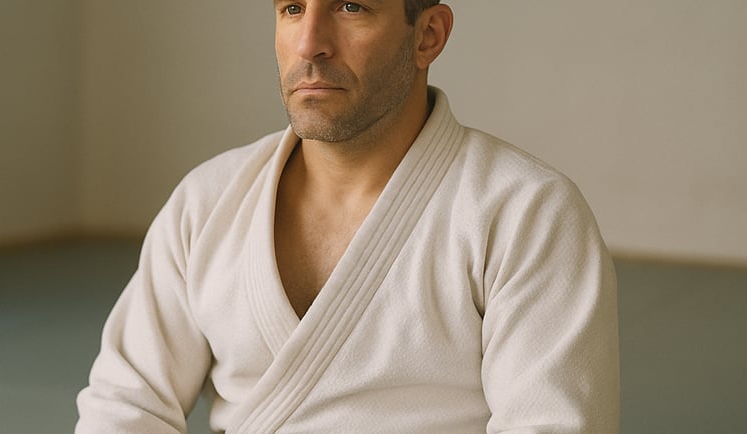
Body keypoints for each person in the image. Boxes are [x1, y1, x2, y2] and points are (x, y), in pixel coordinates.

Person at [76, 0, 619, 432]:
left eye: (350, 7)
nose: (309, 43)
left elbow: (549, 424)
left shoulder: (527, 212)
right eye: (292, 9)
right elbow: (126, 403)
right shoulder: (207, 201)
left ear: (428, 35)